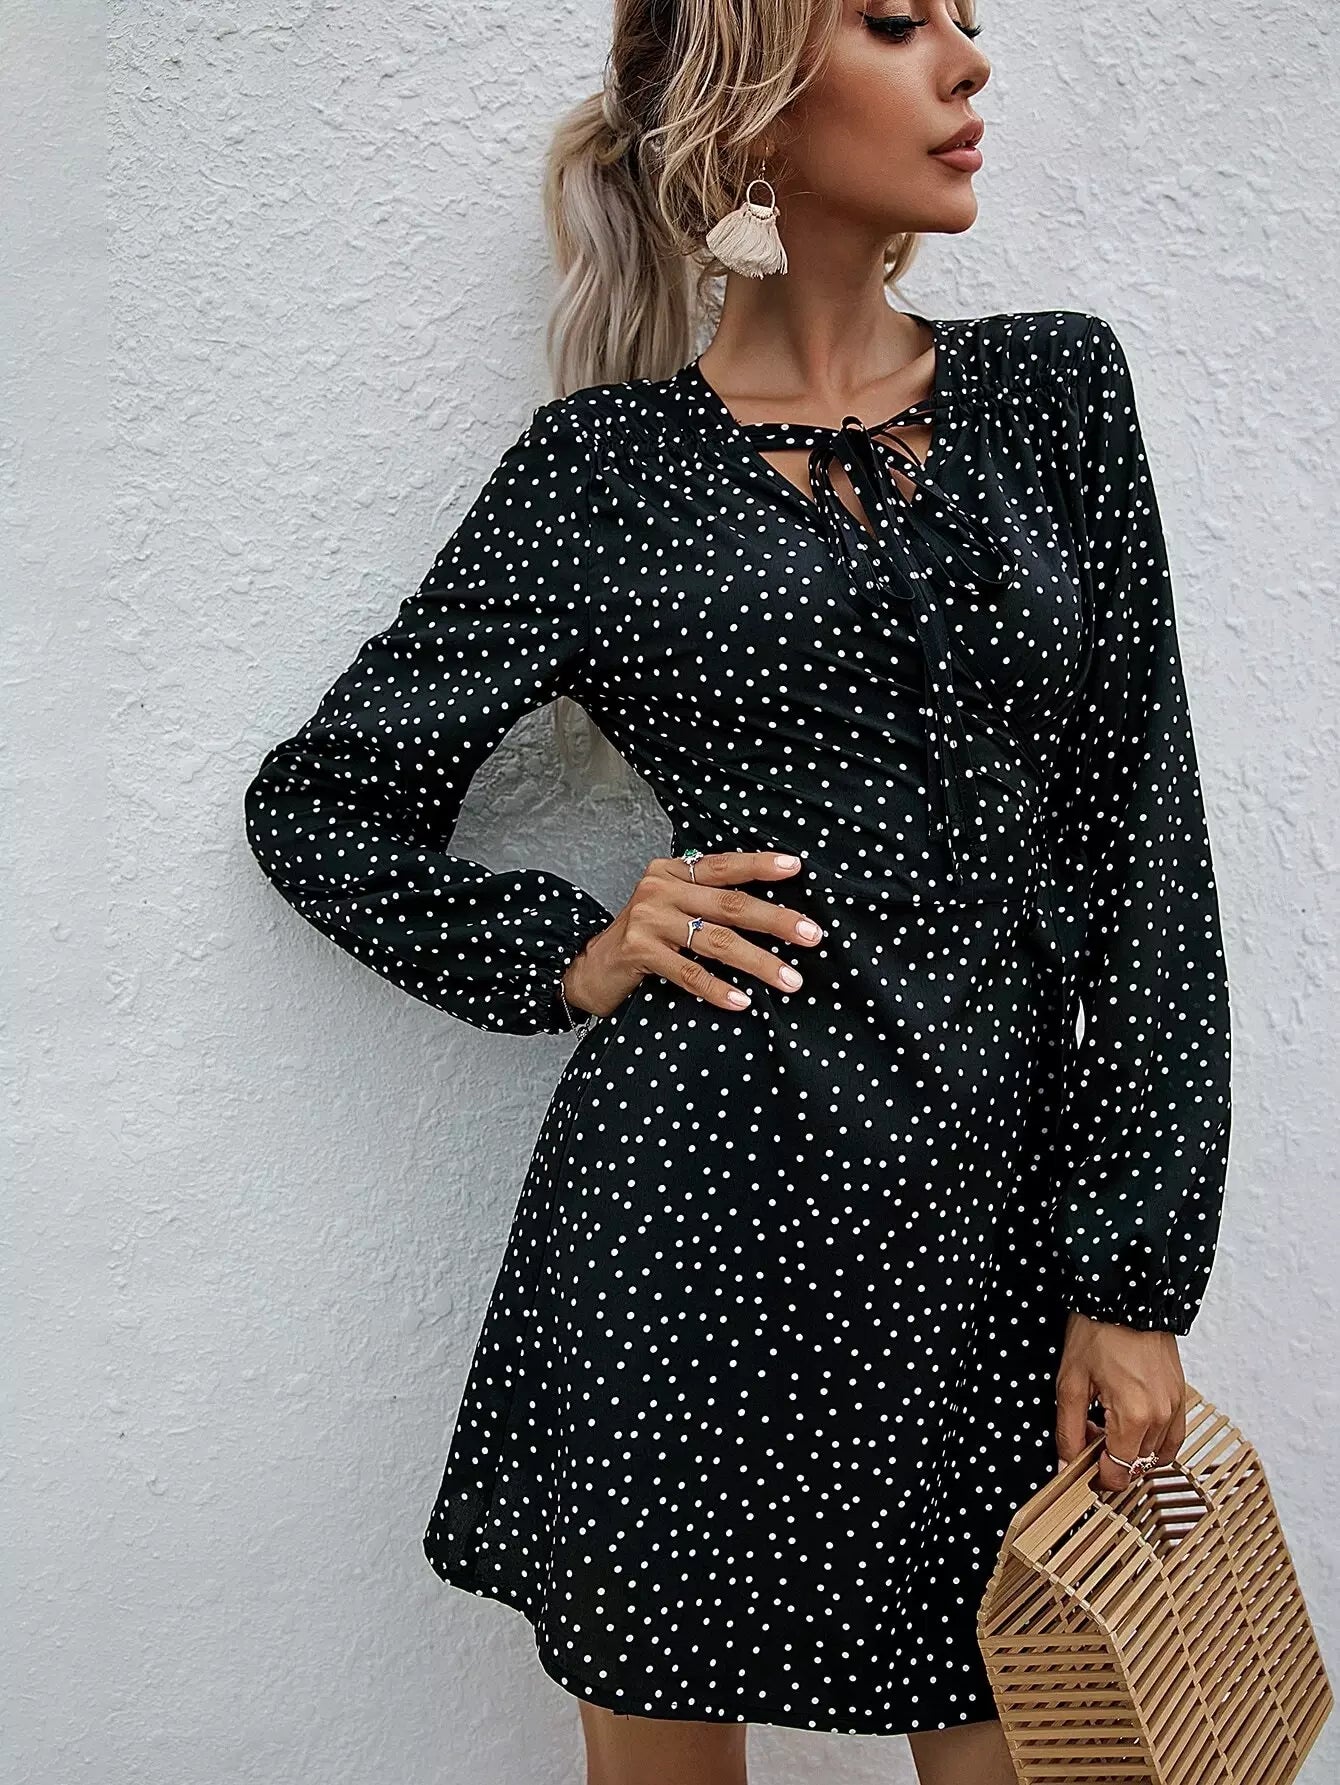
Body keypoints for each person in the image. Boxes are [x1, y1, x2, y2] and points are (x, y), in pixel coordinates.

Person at [242, 3, 1233, 1782]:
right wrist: (576, 946)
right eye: (895, 21)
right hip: (688, 1223)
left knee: (1032, 1731)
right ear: (755, 105)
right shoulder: (599, 474)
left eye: (968, 22)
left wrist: (1136, 1272)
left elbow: (1141, 845)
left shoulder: (1054, 395)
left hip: (991, 1235)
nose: (968, 62)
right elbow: (321, 803)